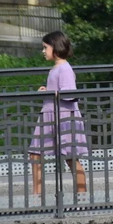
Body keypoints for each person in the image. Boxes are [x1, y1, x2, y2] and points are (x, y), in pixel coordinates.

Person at [28, 31, 89, 196]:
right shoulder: (57, 68)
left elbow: (69, 93)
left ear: (55, 47)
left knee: (71, 157)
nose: (43, 51)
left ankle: (82, 196)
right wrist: (48, 91)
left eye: (45, 47)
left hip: (63, 117)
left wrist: (50, 92)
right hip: (51, 115)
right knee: (35, 154)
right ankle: (37, 197)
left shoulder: (64, 68)